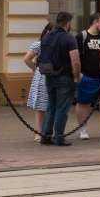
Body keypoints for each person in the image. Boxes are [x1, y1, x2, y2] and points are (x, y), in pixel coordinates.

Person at [39, 11, 81, 146]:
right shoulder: (69, 38)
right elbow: (75, 61)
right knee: (62, 108)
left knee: (51, 106)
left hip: (49, 76)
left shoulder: (47, 37)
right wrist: (76, 77)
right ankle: (59, 137)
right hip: (64, 77)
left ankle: (45, 135)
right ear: (68, 23)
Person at [75, 12, 100, 139]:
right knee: (83, 103)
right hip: (87, 76)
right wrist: (79, 74)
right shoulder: (82, 36)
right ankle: (83, 129)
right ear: (95, 22)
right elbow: (76, 56)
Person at [23, 22, 51, 142]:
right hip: (42, 77)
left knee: (49, 106)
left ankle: (45, 131)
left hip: (48, 76)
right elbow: (27, 59)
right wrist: (36, 68)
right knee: (41, 106)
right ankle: (39, 132)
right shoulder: (39, 44)